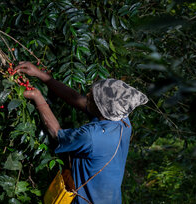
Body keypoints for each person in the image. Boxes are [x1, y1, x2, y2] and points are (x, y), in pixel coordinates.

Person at [15, 61, 148, 204]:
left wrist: (38, 98)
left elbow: (56, 133)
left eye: (93, 97)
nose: (87, 95)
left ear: (101, 108)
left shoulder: (92, 136)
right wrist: (41, 75)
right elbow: (75, 99)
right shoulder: (122, 120)